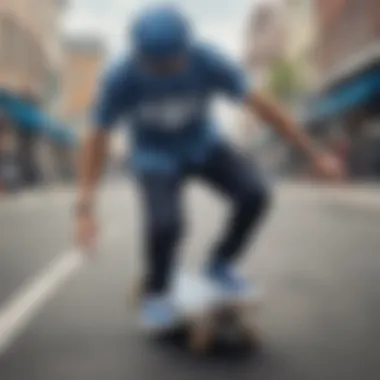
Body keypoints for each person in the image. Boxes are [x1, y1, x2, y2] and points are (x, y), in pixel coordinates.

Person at [74, 5, 343, 330]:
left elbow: (264, 108)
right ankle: (158, 291)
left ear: (187, 50)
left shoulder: (209, 61)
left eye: (172, 63)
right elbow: (97, 138)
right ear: (139, 56)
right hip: (154, 157)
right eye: (155, 66)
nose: (165, 72)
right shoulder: (119, 77)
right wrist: (86, 208)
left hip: (204, 146)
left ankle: (220, 264)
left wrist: (314, 153)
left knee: (255, 194)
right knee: (166, 225)